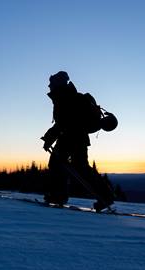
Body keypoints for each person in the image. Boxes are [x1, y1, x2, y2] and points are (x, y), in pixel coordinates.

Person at [41, 71, 114, 212]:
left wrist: (49, 138)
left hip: (71, 137)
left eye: (51, 83)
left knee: (58, 164)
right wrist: (50, 137)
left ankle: (57, 196)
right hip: (77, 138)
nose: (49, 86)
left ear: (58, 84)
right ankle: (105, 196)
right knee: (80, 168)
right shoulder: (66, 96)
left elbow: (63, 123)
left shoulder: (65, 98)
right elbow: (62, 122)